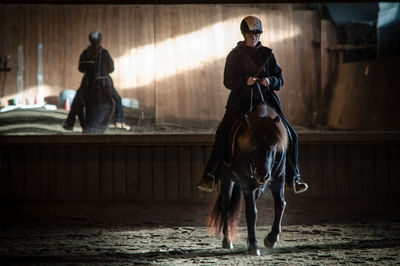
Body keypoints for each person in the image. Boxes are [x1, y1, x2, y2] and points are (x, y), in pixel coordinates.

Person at [197, 16, 308, 194]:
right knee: (223, 130)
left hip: (266, 101)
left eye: (257, 35)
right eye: (251, 36)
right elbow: (227, 81)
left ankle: (294, 176)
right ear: (244, 35)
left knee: (292, 134)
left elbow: (280, 80)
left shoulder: (268, 54)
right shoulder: (235, 55)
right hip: (241, 100)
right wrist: (244, 81)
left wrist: (269, 81)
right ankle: (210, 175)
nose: (254, 38)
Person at [63, 31, 130, 131]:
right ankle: (119, 121)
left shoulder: (85, 53)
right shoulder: (105, 53)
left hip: (88, 83)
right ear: (100, 40)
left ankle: (70, 122)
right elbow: (111, 69)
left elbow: (81, 69)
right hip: (104, 83)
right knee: (117, 99)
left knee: (77, 100)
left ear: (90, 40)